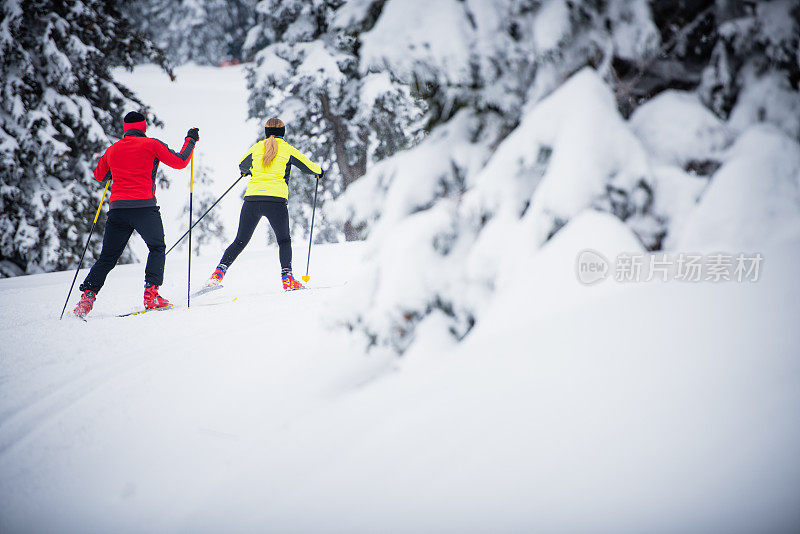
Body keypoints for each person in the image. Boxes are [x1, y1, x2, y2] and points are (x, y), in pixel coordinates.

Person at [72, 111, 199, 318]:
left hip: (118, 210)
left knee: (107, 258)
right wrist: (190, 140)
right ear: (144, 127)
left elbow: (99, 176)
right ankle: (151, 295)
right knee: (157, 247)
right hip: (144, 208)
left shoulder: (113, 149)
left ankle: (87, 297)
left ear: (125, 128)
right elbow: (180, 161)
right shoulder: (151, 144)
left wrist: (115, 168)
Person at [204, 117, 322, 291]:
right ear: (283, 132)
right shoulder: (288, 150)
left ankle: (217, 276)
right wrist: (319, 172)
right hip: (276, 202)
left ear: (266, 132)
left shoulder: (257, 147)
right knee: (283, 240)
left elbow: (242, 165)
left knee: (240, 240)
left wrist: (246, 172)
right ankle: (287, 279)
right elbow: (309, 167)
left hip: (252, 200)